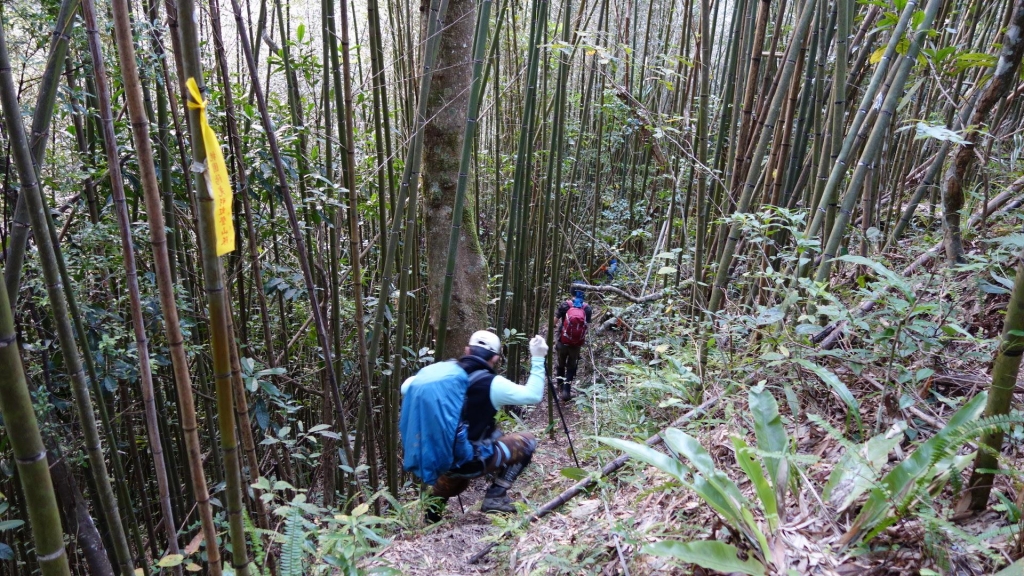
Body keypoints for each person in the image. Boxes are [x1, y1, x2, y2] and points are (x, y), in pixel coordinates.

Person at [402, 330, 548, 522]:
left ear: (467, 350)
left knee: (457, 468)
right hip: (473, 461)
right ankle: (496, 496)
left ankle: (431, 516)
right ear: (495, 358)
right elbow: (533, 395)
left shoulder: (443, 377)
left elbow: (406, 387)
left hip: (442, 459)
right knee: (527, 441)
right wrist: (538, 357)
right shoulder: (493, 384)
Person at [554, 288, 592, 401]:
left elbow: (554, 322)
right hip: (576, 343)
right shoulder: (587, 308)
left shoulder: (565, 305)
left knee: (560, 362)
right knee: (571, 365)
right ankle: (567, 390)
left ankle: (560, 386)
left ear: (571, 293)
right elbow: (586, 325)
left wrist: (555, 327)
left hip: (563, 340)